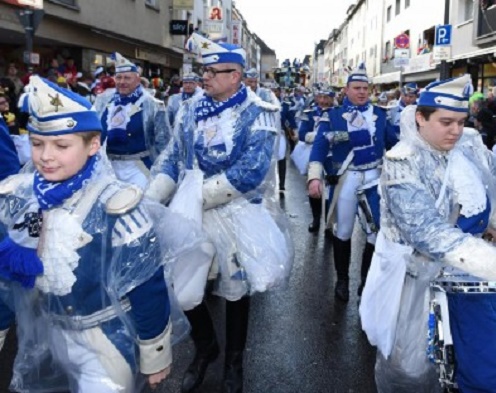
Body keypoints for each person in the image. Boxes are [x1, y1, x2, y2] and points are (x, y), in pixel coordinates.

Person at [361, 74, 496, 392]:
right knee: (416, 366)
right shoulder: (401, 162)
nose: (456, 130)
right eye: (446, 122)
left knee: (473, 361)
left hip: (471, 274)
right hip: (418, 279)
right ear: (420, 117)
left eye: (461, 121)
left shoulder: (470, 146)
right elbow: (428, 232)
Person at [0, 75, 177, 392]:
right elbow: (7, 279)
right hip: (47, 337)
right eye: (37, 144)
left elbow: (146, 284)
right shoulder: (20, 198)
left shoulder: (117, 206)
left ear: (93, 145)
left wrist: (155, 352)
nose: (46, 156)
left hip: (105, 339)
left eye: (61, 145)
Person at [147, 33, 293, 393]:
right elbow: (172, 157)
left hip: (235, 210)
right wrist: (151, 197)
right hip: (190, 207)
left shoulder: (259, 112)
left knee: (234, 290)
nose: (205, 77)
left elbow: (252, 171)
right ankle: (206, 347)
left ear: (236, 75)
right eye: (203, 70)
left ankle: (233, 361)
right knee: (184, 290)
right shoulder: (190, 109)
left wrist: (197, 196)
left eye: (214, 71)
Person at [307, 63, 397, 302]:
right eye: (356, 87)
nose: (361, 92)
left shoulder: (380, 114)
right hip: (347, 180)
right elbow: (319, 147)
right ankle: (342, 280)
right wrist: (314, 177)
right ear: (346, 90)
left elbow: (394, 145)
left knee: (375, 234)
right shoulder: (333, 116)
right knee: (344, 231)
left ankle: (365, 282)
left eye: (365, 88)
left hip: (374, 180)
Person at [94, 52, 171, 189]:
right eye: (119, 77)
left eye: (127, 78)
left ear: (137, 80)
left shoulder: (153, 105)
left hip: (139, 168)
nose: (122, 82)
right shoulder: (103, 101)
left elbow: (163, 143)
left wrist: (162, 172)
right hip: (107, 167)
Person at [296, 85, 335, 232]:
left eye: (327, 98)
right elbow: (301, 134)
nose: (323, 101)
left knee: (332, 189)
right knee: (314, 188)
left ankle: (329, 221)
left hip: (332, 156)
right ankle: (316, 219)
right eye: (321, 97)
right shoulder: (309, 113)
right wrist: (317, 137)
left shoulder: (337, 114)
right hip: (314, 154)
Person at [244, 68, 287, 194]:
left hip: (264, 135)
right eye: (249, 82)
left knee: (264, 168)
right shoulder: (239, 93)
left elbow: (276, 111)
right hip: (246, 137)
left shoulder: (266, 94)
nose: (252, 85)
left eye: (254, 82)